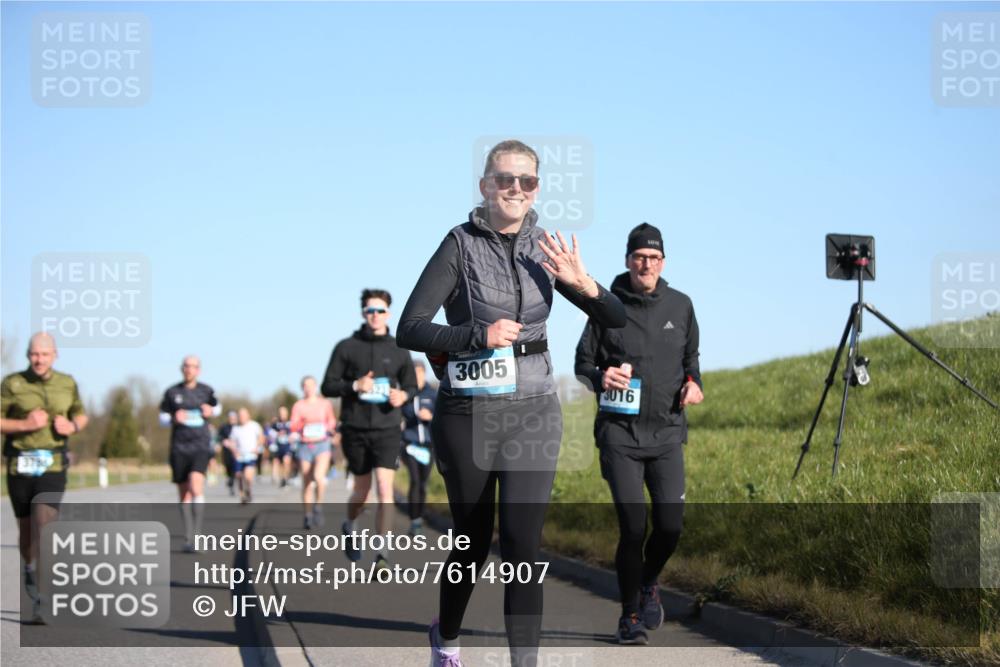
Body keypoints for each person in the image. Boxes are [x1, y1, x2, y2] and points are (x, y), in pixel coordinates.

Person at [397, 139, 625, 667]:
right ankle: (447, 640)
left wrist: (585, 285)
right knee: (473, 543)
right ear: (485, 185)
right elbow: (411, 327)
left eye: (525, 181)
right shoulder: (458, 244)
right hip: (469, 414)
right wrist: (477, 333)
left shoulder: (544, 248)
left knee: (523, 548)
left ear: (537, 188)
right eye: (504, 179)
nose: (515, 189)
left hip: (533, 409)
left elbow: (615, 320)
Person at [574, 222, 704, 644]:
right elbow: (583, 363)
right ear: (628, 260)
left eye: (653, 258)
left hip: (666, 432)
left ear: (663, 262)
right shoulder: (606, 306)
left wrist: (694, 382)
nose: (645, 264)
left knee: (670, 527)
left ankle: (648, 580)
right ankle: (629, 616)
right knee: (633, 527)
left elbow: (691, 358)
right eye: (638, 257)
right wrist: (601, 375)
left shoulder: (681, 305)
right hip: (620, 434)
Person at [322, 289, 417, 568]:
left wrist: (404, 396)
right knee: (361, 493)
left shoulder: (399, 348)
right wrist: (354, 385)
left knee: (386, 490)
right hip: (355, 428)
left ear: (388, 313)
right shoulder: (346, 347)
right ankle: (350, 525)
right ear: (363, 313)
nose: (375, 316)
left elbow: (411, 385)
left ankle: (382, 555)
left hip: (388, 428)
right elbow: (328, 385)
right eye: (370, 311)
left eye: (380, 310)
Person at [1, 332, 89, 622]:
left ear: (55, 354)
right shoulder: (13, 384)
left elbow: (81, 413)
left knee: (44, 525)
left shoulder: (67, 383)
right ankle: (29, 566)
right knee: (27, 533)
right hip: (20, 465)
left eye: (44, 354)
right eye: (33, 354)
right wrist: (24, 423)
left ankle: (43, 597)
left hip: (52, 464)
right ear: (28, 355)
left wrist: (73, 426)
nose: (38, 360)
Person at [159, 355, 221, 552]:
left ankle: (198, 534)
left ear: (198, 370)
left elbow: (217, 407)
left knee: (196, 485)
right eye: (186, 366)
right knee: (184, 493)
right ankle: (188, 535)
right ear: (182, 369)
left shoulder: (206, 390)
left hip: (200, 445)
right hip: (179, 446)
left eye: (193, 366)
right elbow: (162, 417)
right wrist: (173, 418)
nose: (189, 369)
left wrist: (211, 411)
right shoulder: (172, 392)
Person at [290, 376, 337, 528]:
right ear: (302, 388)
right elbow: (294, 424)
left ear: (316, 386)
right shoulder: (298, 405)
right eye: (305, 385)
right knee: (307, 482)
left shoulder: (325, 403)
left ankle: (318, 506)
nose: (308, 388)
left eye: (311, 385)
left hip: (322, 444)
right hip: (305, 445)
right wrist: (301, 425)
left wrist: (329, 428)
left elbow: (331, 421)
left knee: (318, 477)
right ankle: (308, 515)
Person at [399, 358, 437, 536]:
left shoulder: (432, 394)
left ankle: (419, 517)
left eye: (419, 373)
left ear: (424, 373)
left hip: (428, 445)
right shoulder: (406, 395)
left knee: (422, 483)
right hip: (410, 444)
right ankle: (414, 521)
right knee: (414, 480)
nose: (416, 377)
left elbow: (442, 417)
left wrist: (430, 416)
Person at [225, 407, 264, 504]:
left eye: (243, 415)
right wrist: (234, 450)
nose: (241, 417)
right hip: (239, 455)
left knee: (247, 476)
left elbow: (261, 437)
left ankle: (248, 490)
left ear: (248, 415)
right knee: (239, 476)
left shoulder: (254, 425)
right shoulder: (235, 428)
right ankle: (242, 496)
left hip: (250, 455)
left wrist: (257, 448)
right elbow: (232, 441)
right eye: (240, 416)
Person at [268, 405, 294, 487]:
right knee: (276, 462)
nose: (282, 414)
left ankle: (285, 478)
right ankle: (277, 477)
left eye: (284, 412)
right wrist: (277, 434)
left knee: (286, 462)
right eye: (280, 413)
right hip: (278, 447)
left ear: (287, 413)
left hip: (287, 446)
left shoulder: (290, 423)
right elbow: (270, 433)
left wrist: (292, 437)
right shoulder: (275, 424)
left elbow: (295, 433)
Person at [217, 410, 238, 496]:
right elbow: (219, 437)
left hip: (236, 451)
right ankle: (229, 478)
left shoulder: (238, 427)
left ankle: (232, 481)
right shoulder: (224, 427)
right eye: (231, 418)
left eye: (234, 418)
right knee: (228, 466)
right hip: (226, 451)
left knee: (234, 466)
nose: (232, 419)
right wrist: (223, 441)